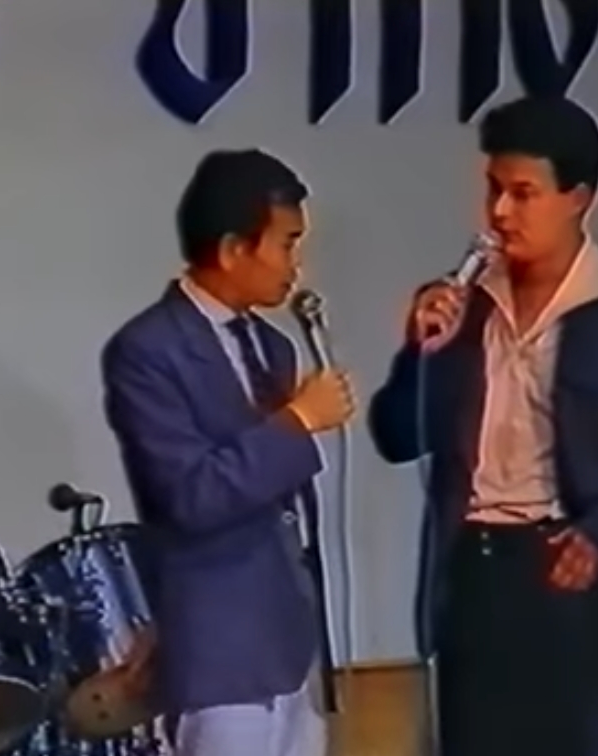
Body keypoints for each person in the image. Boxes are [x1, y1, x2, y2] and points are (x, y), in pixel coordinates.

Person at [368, 95, 598, 756]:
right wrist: (419, 353)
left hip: (589, 585)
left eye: (523, 193)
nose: (500, 213)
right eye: (494, 189)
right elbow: (397, 437)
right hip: (479, 580)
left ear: (578, 198)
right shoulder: (463, 308)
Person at [100, 148, 356, 756]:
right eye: (286, 244)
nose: (296, 264)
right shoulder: (148, 349)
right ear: (235, 248)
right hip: (219, 652)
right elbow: (190, 496)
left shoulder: (273, 346)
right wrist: (297, 421)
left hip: (290, 644)